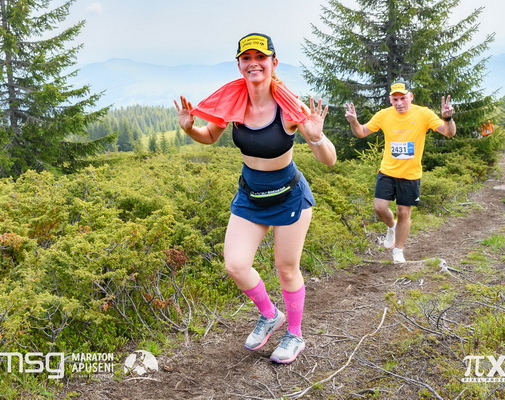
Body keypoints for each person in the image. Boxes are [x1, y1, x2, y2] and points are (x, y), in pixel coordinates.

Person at [174, 33, 337, 364]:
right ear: (239, 64)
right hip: (250, 195)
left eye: (260, 57)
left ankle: (294, 335)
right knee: (235, 264)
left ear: (273, 63)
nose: (253, 63)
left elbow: (329, 160)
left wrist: (317, 137)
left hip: (289, 196)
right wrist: (189, 128)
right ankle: (270, 315)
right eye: (246, 58)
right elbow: (209, 136)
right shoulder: (233, 104)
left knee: (286, 269)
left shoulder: (289, 108)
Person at [344, 80, 455, 263]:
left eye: (403, 98)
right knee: (380, 208)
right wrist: (353, 121)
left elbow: (449, 132)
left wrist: (448, 119)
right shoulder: (383, 115)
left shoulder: (423, 113)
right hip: (387, 171)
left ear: (410, 96)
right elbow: (362, 132)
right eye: (395, 99)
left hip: (410, 174)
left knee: (404, 212)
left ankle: (398, 251)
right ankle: (391, 227)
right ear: (390, 100)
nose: (399, 103)